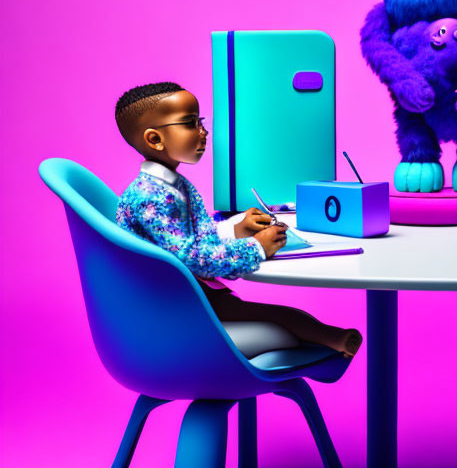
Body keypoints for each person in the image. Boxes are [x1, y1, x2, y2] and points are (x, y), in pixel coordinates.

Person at [114, 81, 362, 358]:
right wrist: (256, 247)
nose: (204, 132)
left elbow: (185, 236)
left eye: (201, 121)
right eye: (189, 123)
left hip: (190, 295)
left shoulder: (169, 186)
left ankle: (333, 342)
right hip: (177, 305)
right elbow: (190, 257)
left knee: (286, 317)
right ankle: (335, 343)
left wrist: (236, 229)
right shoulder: (152, 197)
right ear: (155, 139)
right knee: (283, 320)